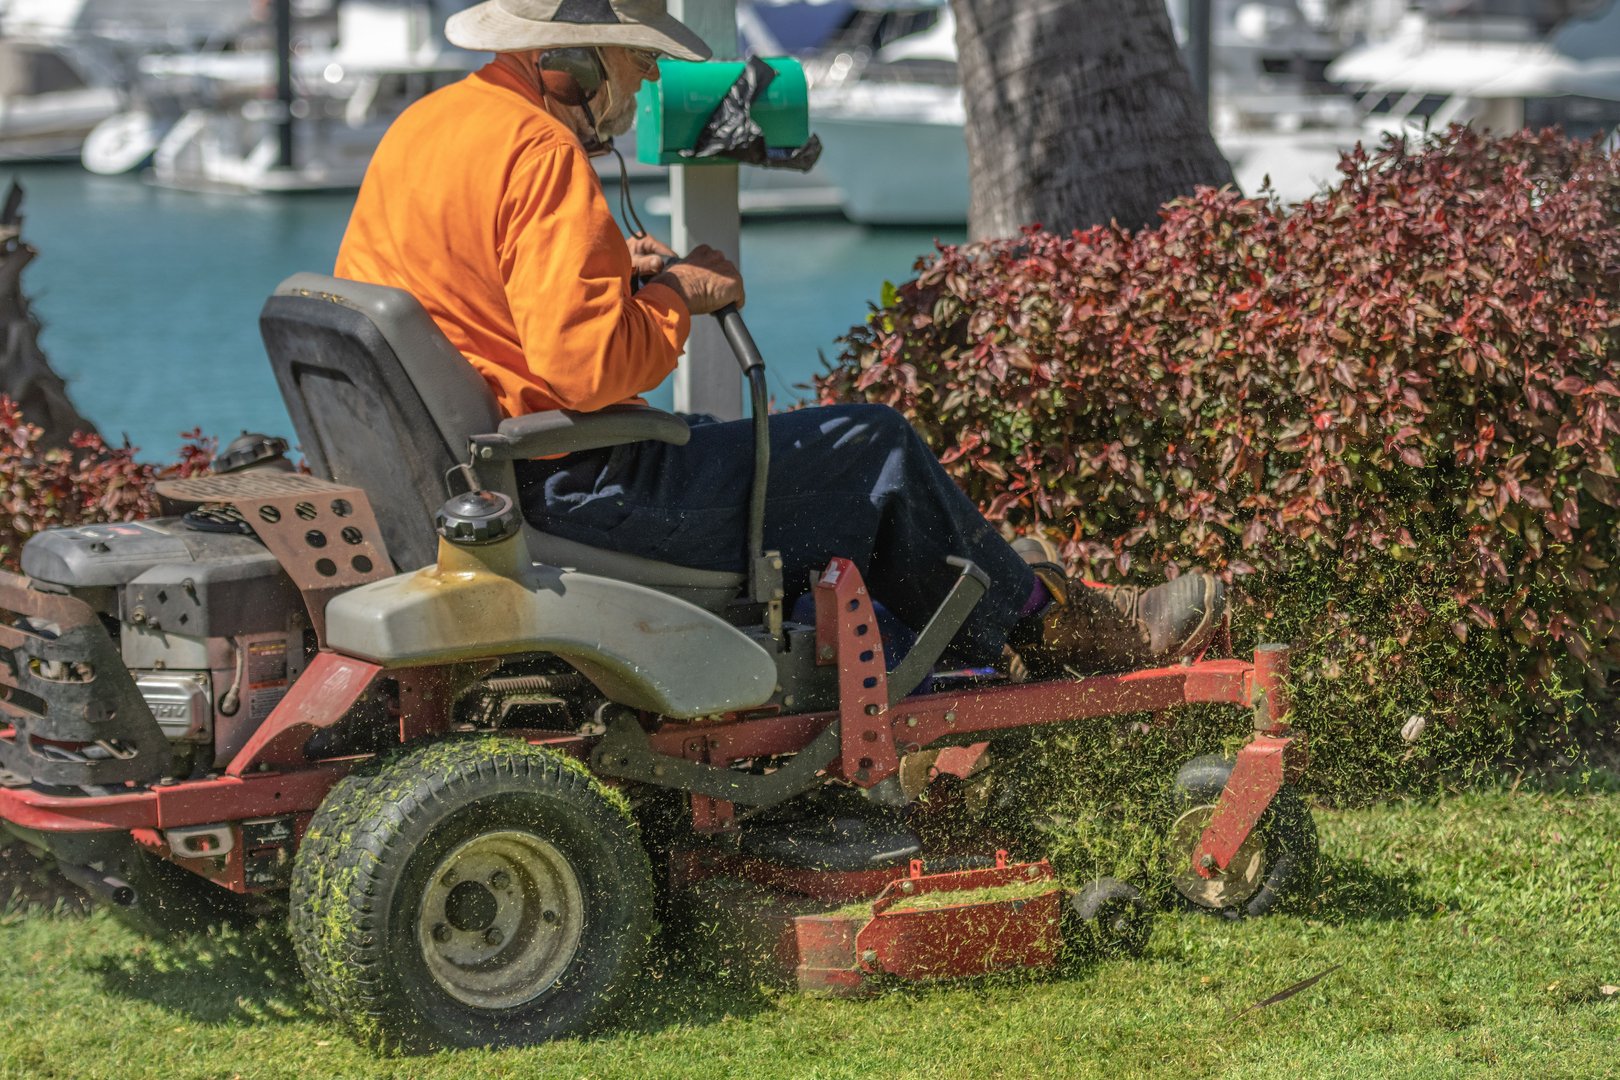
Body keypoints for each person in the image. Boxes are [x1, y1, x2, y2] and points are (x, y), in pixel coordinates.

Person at [334, 0, 1226, 675]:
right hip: (573, 485)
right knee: (870, 444)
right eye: (633, 59)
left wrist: (621, 273)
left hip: (476, 479)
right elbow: (586, 366)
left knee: (829, 474)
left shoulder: (431, 127)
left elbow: (478, 300)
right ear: (568, 57)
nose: (645, 83)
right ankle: (1061, 629)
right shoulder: (542, 151)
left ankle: (975, 647)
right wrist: (680, 293)